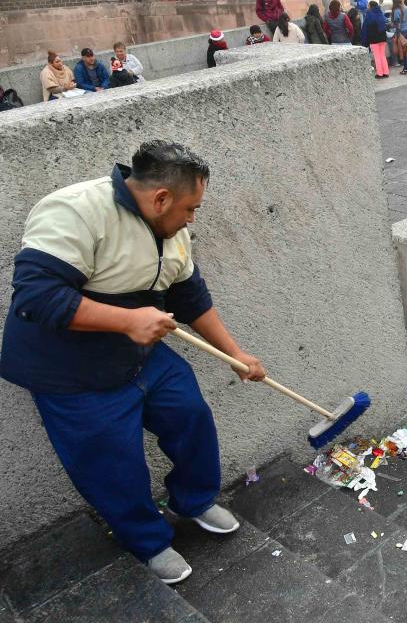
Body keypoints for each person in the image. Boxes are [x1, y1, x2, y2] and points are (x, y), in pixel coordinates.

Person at [0, 140, 268, 585]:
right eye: (190, 208)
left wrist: (234, 355)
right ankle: (148, 541)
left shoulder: (171, 228)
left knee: (190, 415)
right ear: (161, 198)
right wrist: (127, 321)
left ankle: (194, 500)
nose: (192, 218)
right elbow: (37, 297)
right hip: (70, 370)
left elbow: (188, 295)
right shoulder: (75, 211)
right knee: (112, 464)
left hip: (140, 354)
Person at [361, 0, 389, 78]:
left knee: (377, 56)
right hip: (383, 38)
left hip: (374, 39)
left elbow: (365, 29)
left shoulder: (369, 15)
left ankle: (379, 73)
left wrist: (364, 41)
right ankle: (386, 72)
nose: (367, 7)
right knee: (382, 55)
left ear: (370, 6)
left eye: (368, 6)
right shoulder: (381, 13)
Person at [392, 0, 407, 73]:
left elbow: (397, 24)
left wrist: (398, 35)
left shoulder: (397, 10)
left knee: (404, 51)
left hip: (402, 32)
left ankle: (405, 68)